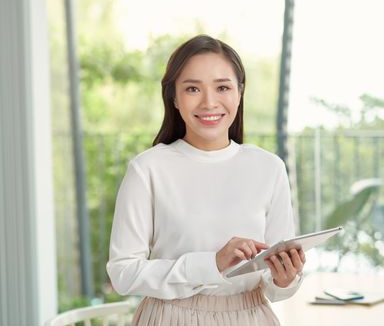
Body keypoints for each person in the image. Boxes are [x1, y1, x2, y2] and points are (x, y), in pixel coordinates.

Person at [106, 34, 305, 326]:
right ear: (174, 97)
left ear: (239, 92)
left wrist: (286, 278)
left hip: (251, 317)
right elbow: (123, 273)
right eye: (192, 89)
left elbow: (274, 287)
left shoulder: (269, 168)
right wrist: (211, 264)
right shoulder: (148, 169)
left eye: (222, 87)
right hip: (170, 317)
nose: (209, 102)